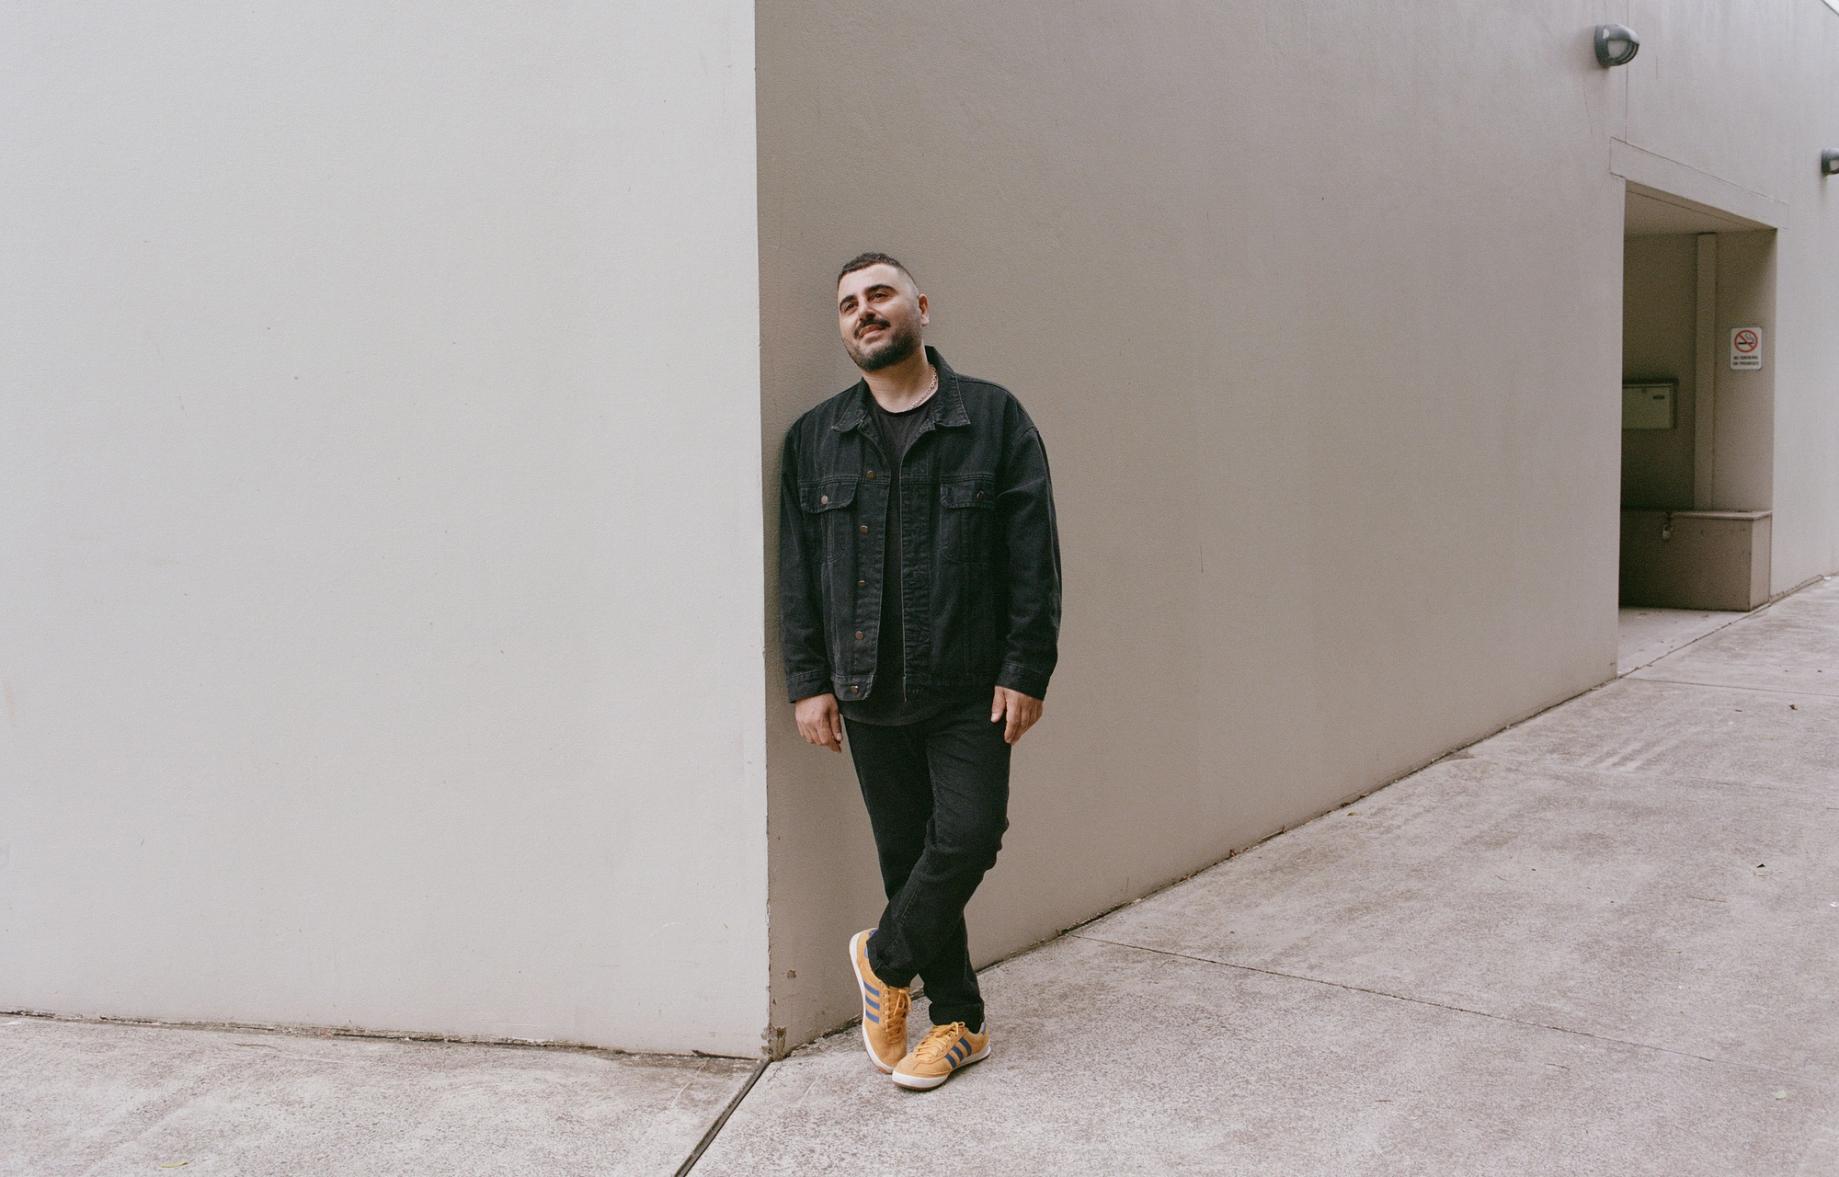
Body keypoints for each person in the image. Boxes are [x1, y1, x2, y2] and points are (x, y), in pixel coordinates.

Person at [777, 252, 1062, 1091]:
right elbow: (796, 573)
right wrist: (807, 680)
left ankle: (886, 960)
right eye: (848, 304)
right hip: (863, 689)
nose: (864, 312)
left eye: (880, 295)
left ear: (921, 308)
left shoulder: (994, 418)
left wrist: (1027, 665)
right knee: (907, 863)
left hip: (968, 683)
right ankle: (960, 1023)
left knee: (970, 836)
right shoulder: (814, 437)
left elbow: (1032, 556)